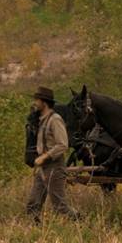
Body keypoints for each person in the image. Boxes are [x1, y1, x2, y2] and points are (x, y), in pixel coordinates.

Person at [25, 86, 79, 222]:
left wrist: (44, 156)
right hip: (43, 168)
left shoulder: (55, 120)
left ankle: (82, 224)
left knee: (60, 207)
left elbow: (62, 144)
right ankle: (35, 232)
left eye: (37, 100)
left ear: (44, 102)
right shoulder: (41, 120)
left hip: (55, 167)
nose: (35, 103)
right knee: (33, 203)